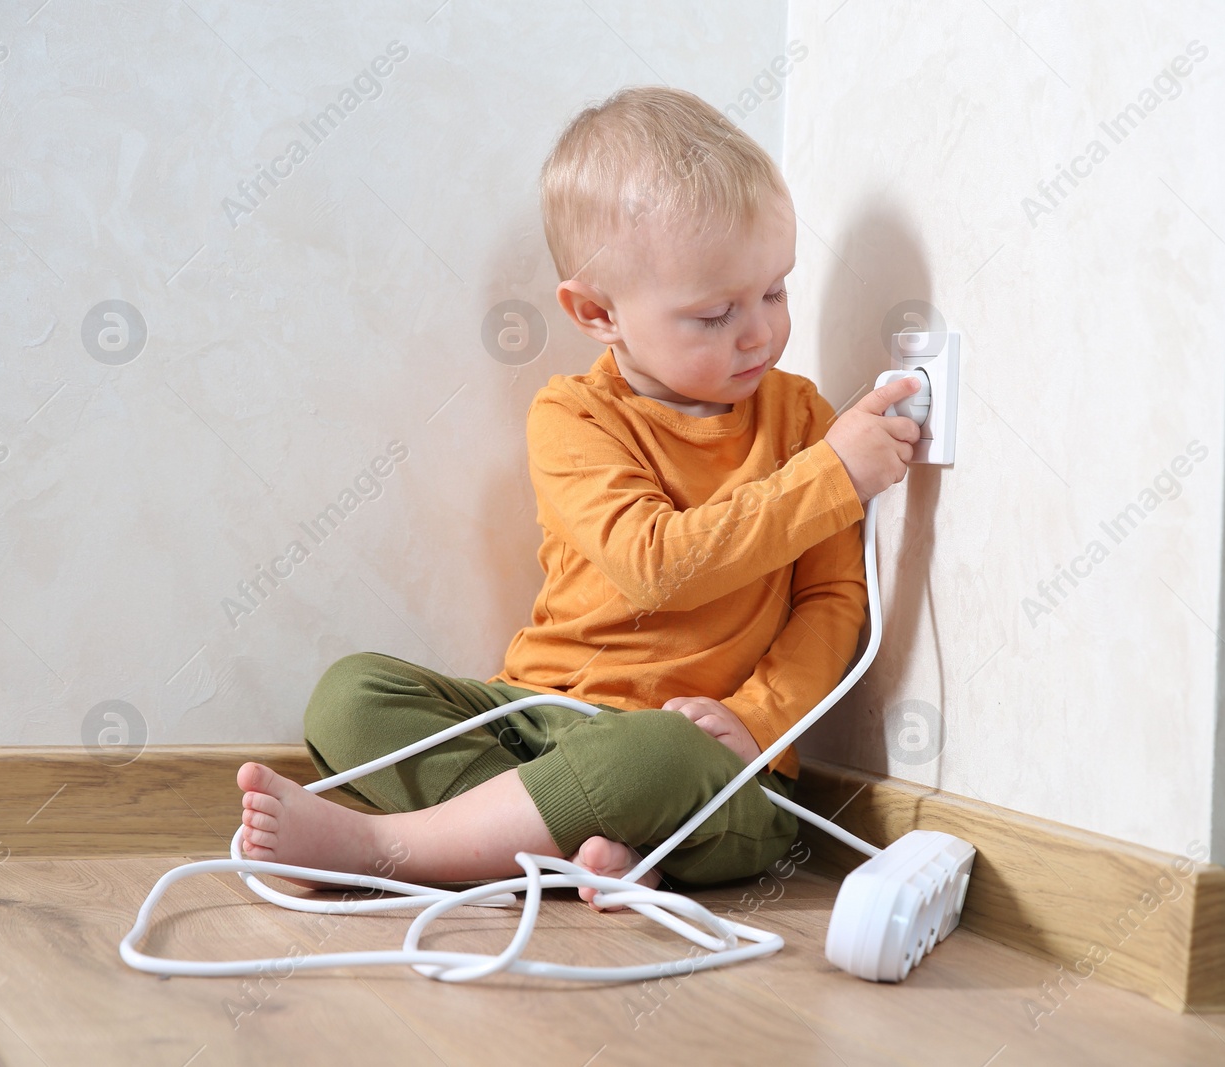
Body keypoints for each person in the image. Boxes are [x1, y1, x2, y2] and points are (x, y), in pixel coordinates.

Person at [234, 85, 922, 910]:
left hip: (704, 758)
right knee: (351, 696)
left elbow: (833, 597)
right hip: (537, 714)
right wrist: (834, 476)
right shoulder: (573, 417)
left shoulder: (808, 422)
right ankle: (569, 844)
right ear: (599, 313)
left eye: (774, 292)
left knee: (653, 756)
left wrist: (757, 719)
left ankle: (395, 850)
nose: (759, 333)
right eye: (714, 314)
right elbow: (656, 565)